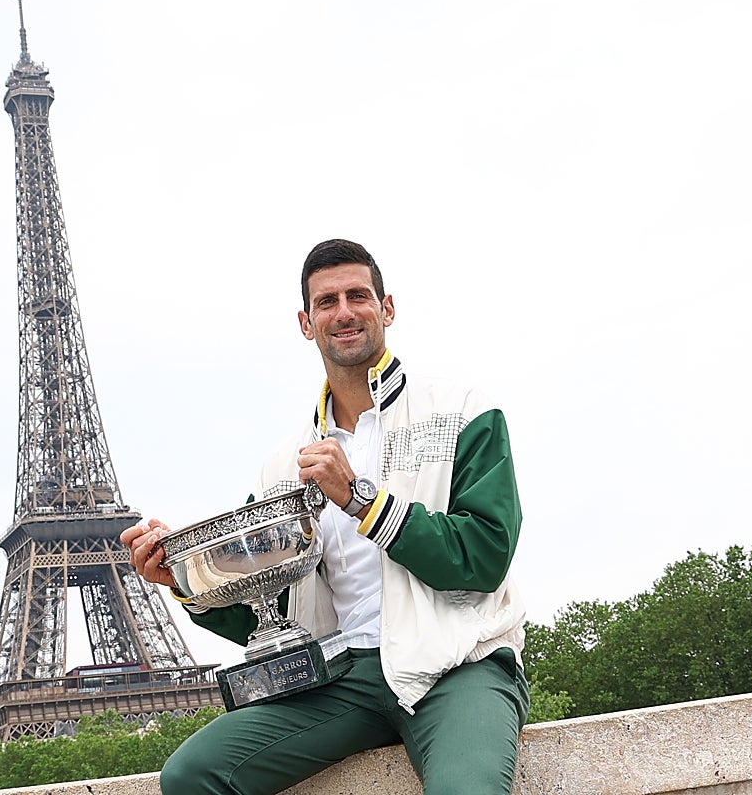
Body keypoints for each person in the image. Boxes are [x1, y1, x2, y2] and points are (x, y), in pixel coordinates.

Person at [121, 239, 529, 795]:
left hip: (457, 664)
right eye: (326, 301)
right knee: (192, 775)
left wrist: (361, 500)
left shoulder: (462, 410)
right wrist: (187, 580)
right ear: (306, 323)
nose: (344, 312)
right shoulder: (282, 466)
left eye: (357, 296)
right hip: (341, 678)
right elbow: (268, 614)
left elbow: (483, 557)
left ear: (386, 308)